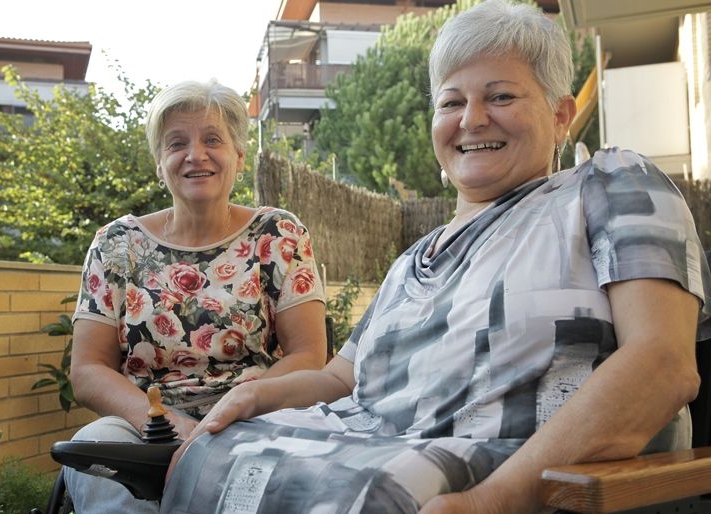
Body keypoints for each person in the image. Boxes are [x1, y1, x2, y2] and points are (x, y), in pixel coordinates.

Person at [158, 2, 711, 513]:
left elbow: (661, 365)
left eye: (500, 96)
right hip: (372, 448)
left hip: (520, 472)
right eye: (451, 102)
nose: (472, 119)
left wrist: (493, 500)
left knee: (380, 493)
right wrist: (251, 395)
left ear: (561, 115)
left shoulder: (607, 189)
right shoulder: (415, 260)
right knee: (217, 449)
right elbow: (337, 382)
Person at [64, 79, 328, 513]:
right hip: (145, 425)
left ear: (239, 158)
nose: (195, 155)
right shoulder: (117, 244)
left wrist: (227, 415)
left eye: (212, 140)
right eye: (176, 143)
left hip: (254, 415)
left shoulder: (277, 234)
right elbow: (88, 370)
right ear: (159, 163)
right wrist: (172, 426)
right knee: (92, 452)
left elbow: (308, 354)